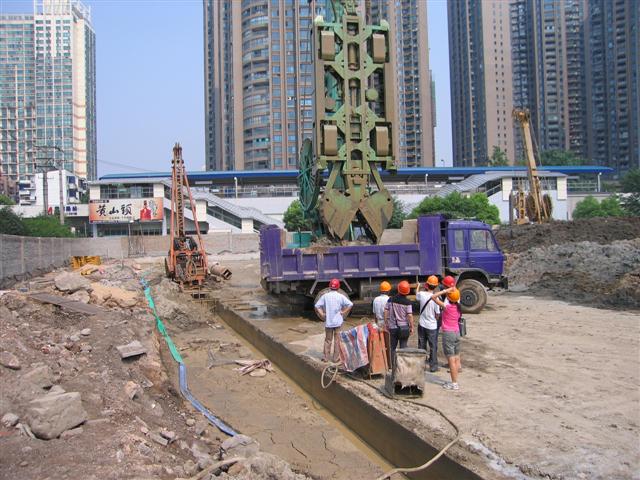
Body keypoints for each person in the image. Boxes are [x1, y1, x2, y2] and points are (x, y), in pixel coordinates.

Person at [314, 278, 353, 363]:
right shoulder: (340, 296)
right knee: (337, 340)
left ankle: (326, 358)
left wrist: (322, 314)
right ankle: (335, 358)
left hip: (329, 323)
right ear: (338, 287)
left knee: (328, 340)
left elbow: (317, 306)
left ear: (329, 286)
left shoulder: (325, 296)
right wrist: (343, 312)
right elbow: (350, 304)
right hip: (338, 322)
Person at [416, 275, 448, 372]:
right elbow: (437, 314)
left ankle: (421, 365)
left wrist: (418, 286)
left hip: (421, 324)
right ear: (436, 286)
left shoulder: (421, 294)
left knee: (421, 345)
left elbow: (416, 294)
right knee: (433, 346)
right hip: (432, 326)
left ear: (426, 285)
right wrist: (435, 319)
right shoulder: (436, 299)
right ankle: (433, 366)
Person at [432, 288, 462, 390]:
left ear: (448, 297)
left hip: (448, 334)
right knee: (456, 357)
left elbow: (433, 297)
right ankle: (455, 380)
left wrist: (445, 291)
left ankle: (454, 383)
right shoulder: (459, 307)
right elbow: (456, 297)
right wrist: (452, 291)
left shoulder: (447, 307)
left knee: (451, 359)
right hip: (457, 333)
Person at [383, 280, 413, 367]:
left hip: (392, 327)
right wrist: (411, 327)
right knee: (403, 347)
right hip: (404, 328)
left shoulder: (391, 299)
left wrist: (386, 323)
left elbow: (386, 311)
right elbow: (410, 315)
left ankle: (393, 366)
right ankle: (402, 366)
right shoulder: (408, 302)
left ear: (398, 289)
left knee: (393, 347)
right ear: (408, 291)